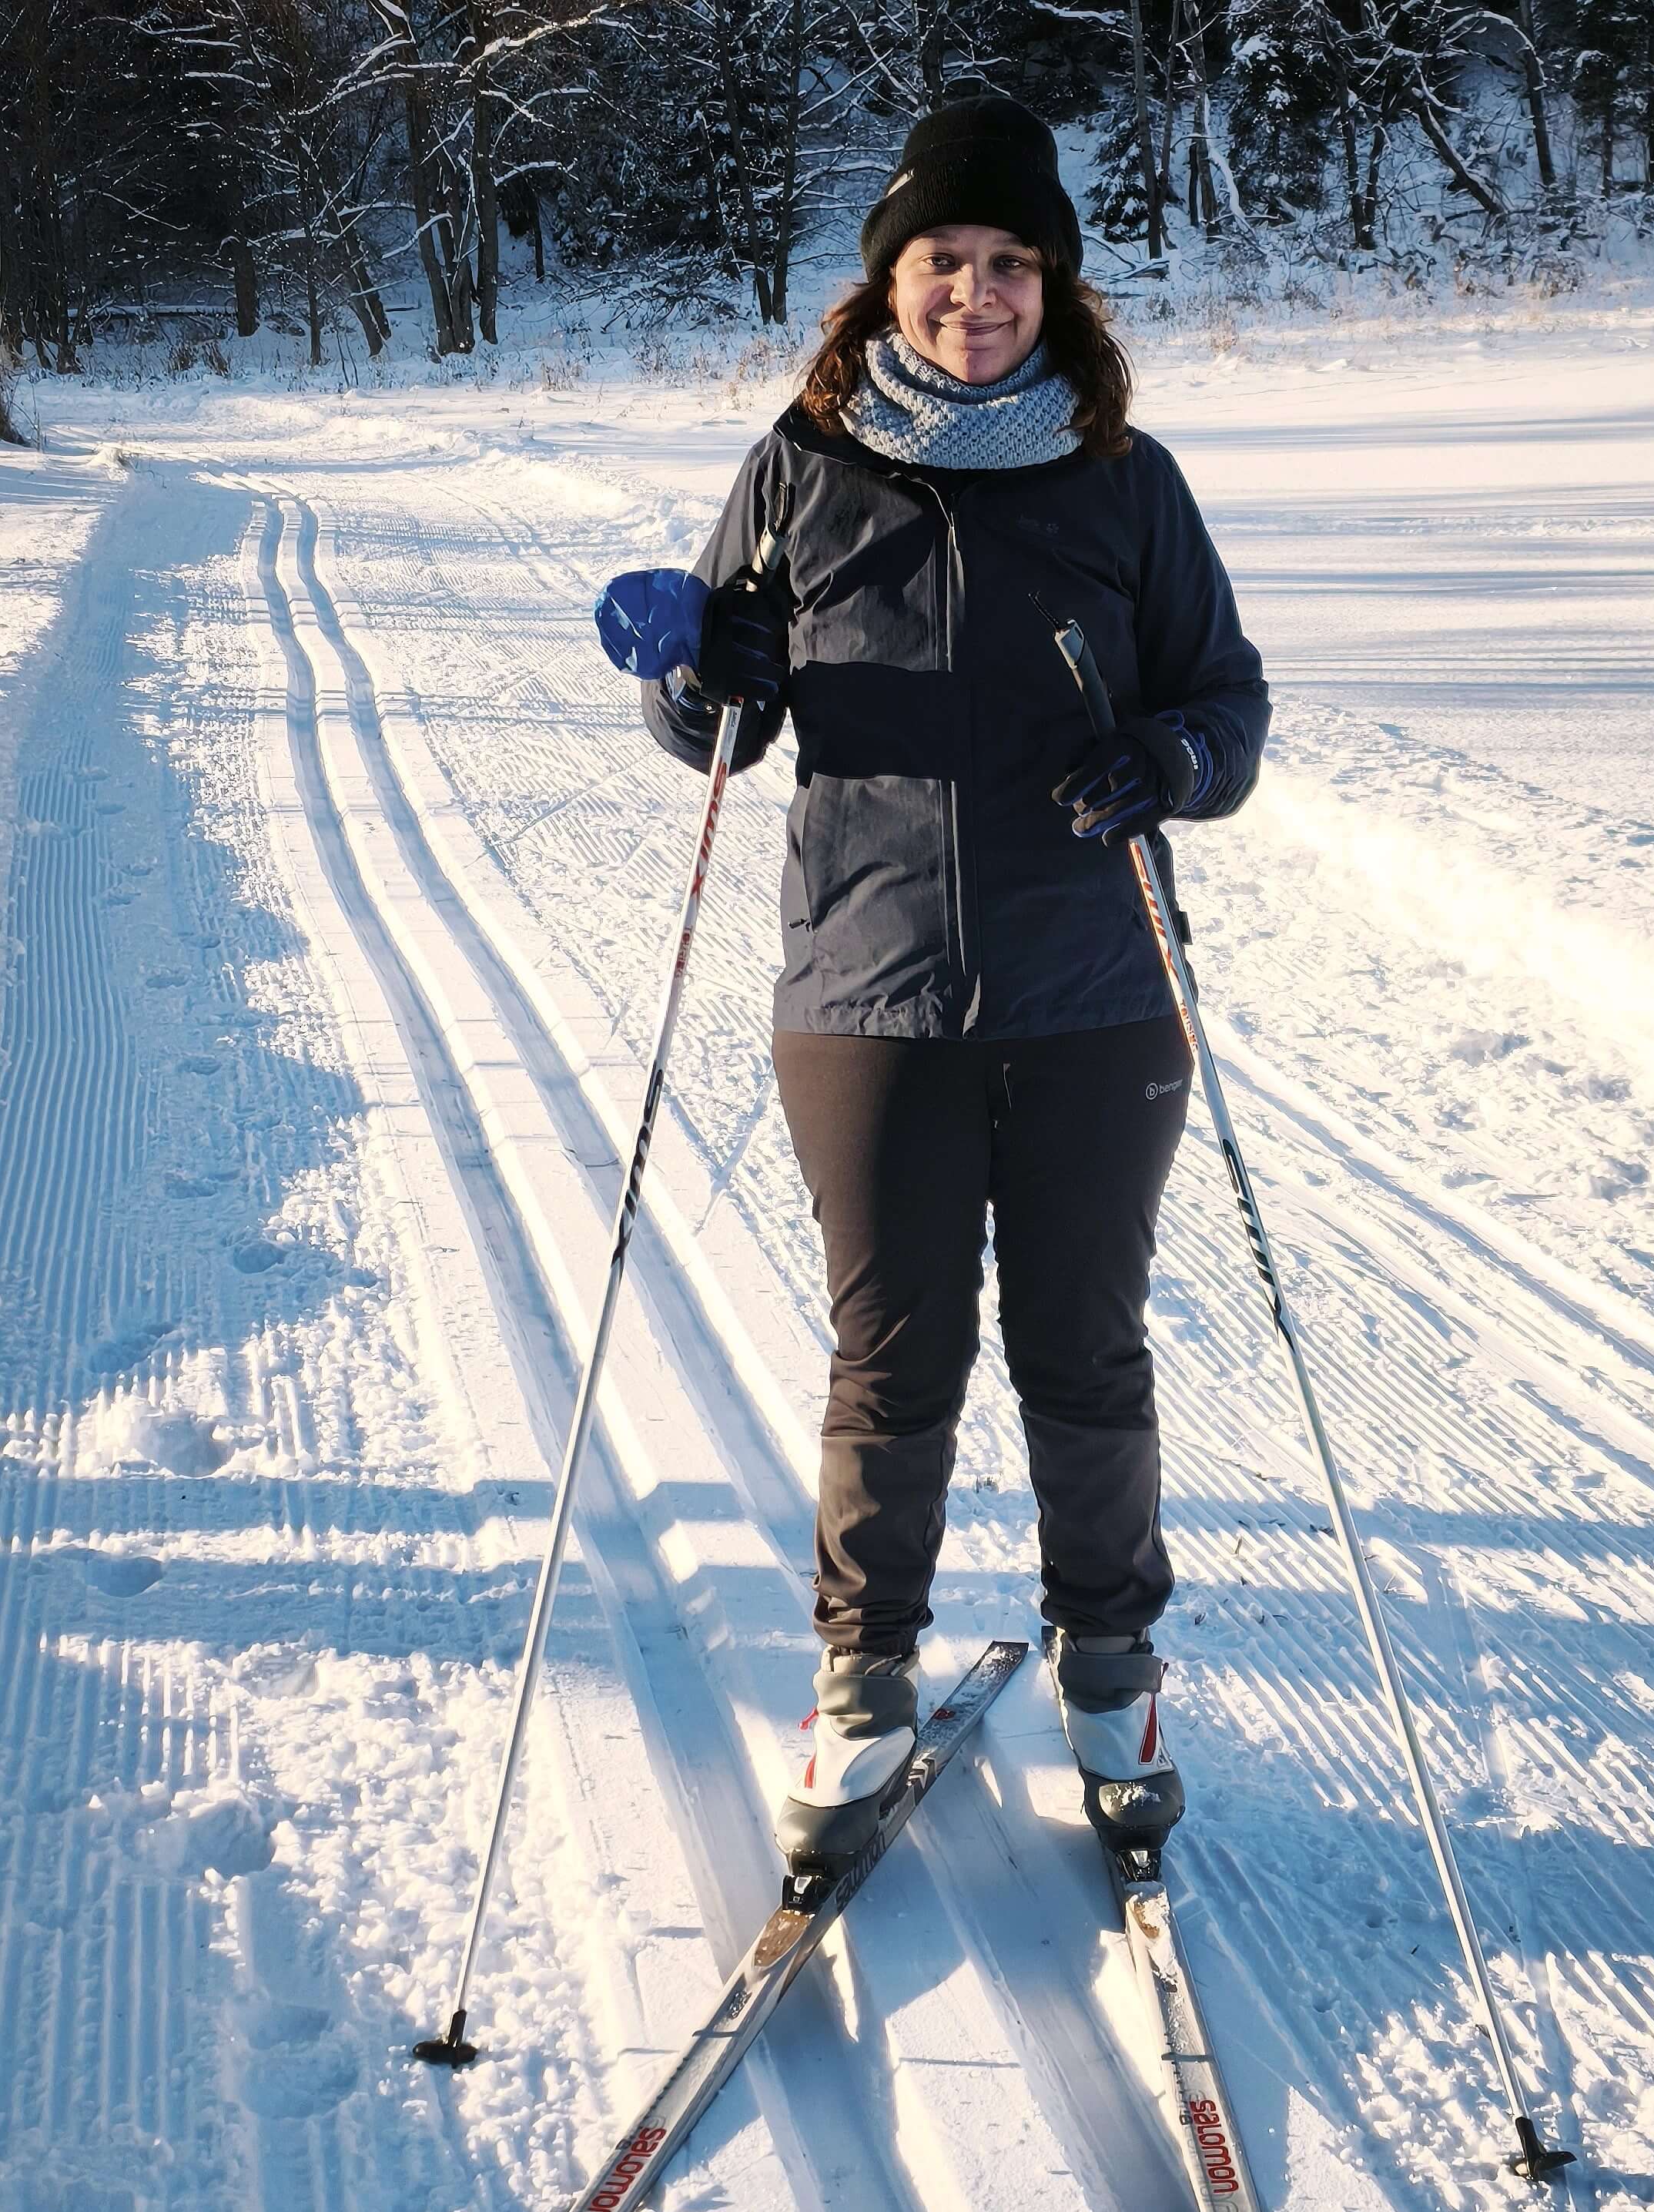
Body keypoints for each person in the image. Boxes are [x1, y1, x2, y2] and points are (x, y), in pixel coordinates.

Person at [594, 96, 1269, 1875]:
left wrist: (1170, 762)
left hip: (1096, 986)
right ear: (885, 281)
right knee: (895, 1354)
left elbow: (1231, 707)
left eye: (1009, 264)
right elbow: (719, 721)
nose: (975, 294)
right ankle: (862, 1677)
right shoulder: (803, 463)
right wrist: (696, 669)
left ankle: (1113, 1667)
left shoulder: (1127, 479)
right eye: (943, 263)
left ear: (1056, 283)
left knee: (1083, 1342)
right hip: (865, 988)